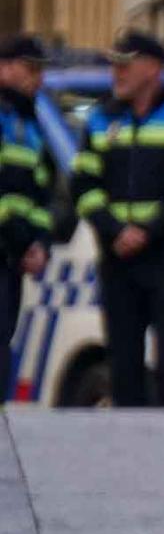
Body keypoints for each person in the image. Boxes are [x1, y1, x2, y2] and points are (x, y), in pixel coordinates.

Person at [70, 30, 164, 406]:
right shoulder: (101, 118)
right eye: (114, 64)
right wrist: (116, 230)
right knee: (122, 362)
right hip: (119, 257)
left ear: (153, 68)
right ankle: (128, 445)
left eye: (125, 64)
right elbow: (83, 187)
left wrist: (149, 231)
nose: (116, 72)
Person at [0, 36, 52, 401]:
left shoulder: (28, 122)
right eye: (30, 69)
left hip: (11, 256)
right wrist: (23, 240)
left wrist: (40, 241)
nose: (38, 79)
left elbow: (41, 193)